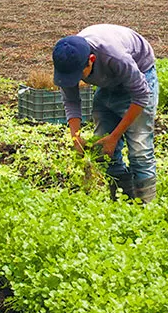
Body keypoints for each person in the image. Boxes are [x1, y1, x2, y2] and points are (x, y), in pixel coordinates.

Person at [53, 24, 159, 203]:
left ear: (91, 60)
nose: (77, 79)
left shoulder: (115, 56)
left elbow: (141, 95)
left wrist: (115, 136)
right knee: (102, 151)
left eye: (80, 74)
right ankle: (122, 202)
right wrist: (75, 137)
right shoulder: (68, 61)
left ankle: (146, 211)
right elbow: (71, 100)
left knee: (140, 152)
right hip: (109, 80)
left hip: (140, 74)